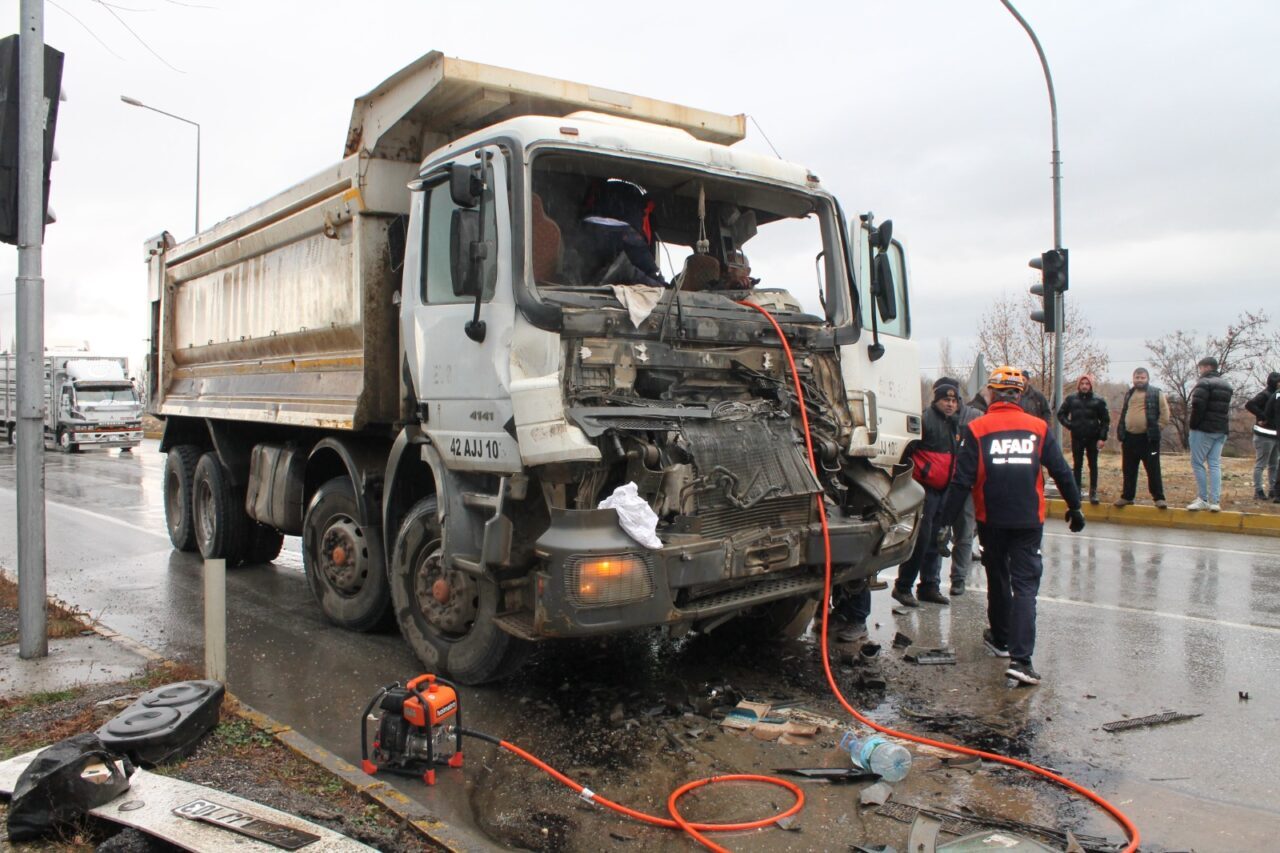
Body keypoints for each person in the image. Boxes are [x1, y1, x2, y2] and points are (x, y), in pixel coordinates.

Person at [940, 365, 1085, 686]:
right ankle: (1021, 659)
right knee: (1025, 588)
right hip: (1028, 520)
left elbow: (960, 483)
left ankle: (1003, 639)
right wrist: (1075, 507)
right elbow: (1061, 470)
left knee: (998, 578)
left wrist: (943, 525)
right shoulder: (1037, 428)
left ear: (991, 393)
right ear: (1020, 395)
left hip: (991, 519)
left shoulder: (977, 429)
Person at [893, 379, 961, 608]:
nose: (950, 404)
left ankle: (929, 585)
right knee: (921, 540)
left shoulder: (954, 423)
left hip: (944, 489)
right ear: (937, 400)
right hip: (924, 490)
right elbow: (906, 453)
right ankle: (903, 586)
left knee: (938, 539)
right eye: (946, 400)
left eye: (954, 400)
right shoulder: (924, 420)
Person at [1114, 368, 1170, 509]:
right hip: (1130, 439)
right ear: (1133, 379)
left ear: (1147, 378)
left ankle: (1159, 498)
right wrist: (1121, 431)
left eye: (1142, 377)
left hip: (1148, 440)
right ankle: (1127, 496)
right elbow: (1124, 413)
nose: (1139, 380)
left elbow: (1165, 414)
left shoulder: (1156, 393)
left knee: (1153, 469)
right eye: (1137, 377)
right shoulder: (1130, 394)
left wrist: (1156, 429)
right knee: (1128, 469)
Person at [1187, 356, 1233, 512]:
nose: (1199, 371)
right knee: (1214, 464)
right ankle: (1215, 501)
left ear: (1206, 367)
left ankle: (1203, 498)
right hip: (1221, 429)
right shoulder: (1227, 385)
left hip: (1203, 429)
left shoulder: (1204, 383)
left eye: (1200, 368)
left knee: (1197, 463)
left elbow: (1197, 406)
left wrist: (1193, 426)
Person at [1056, 374, 1110, 504]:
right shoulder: (1071, 399)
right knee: (1077, 465)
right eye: (1082, 384)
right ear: (1078, 385)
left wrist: (1102, 438)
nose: (1085, 386)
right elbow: (1061, 414)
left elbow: (1105, 421)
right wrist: (1070, 425)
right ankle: (1077, 491)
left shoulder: (1098, 400)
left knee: (1093, 465)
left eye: (1087, 384)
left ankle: (1093, 493)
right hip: (1077, 436)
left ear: (1090, 385)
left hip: (1093, 437)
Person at [1244, 371, 1280, 500]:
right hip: (1263, 435)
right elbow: (1249, 404)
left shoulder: (1277, 395)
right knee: (1261, 464)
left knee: (1274, 464)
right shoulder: (1265, 395)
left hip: (1275, 435)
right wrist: (1263, 416)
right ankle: (1258, 491)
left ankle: (1273, 490)